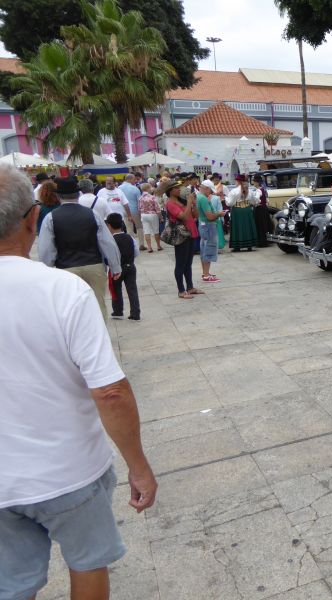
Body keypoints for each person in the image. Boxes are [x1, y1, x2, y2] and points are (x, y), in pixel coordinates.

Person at [0, 163, 157, 600]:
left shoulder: (54, 271)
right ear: (32, 217)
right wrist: (138, 465)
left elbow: (46, 252)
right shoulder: (62, 292)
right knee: (87, 562)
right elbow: (108, 389)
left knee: (11, 584)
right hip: (66, 470)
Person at [38, 176, 122, 321]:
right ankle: (99, 336)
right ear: (78, 194)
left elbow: (46, 249)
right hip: (94, 265)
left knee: (72, 307)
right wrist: (116, 266)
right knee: (98, 304)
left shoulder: (51, 218)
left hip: (66, 268)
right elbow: (107, 243)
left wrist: (48, 270)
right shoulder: (92, 214)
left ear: (58, 196)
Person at [159, 178, 202, 300]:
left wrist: (194, 203)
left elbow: (196, 215)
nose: (179, 189)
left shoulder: (182, 201)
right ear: (170, 191)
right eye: (177, 188)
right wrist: (189, 203)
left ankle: (190, 287)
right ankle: (181, 290)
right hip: (181, 235)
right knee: (180, 264)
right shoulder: (170, 203)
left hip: (191, 233)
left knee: (188, 263)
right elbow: (183, 216)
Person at [106, 213, 140, 321]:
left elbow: (109, 256)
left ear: (109, 226)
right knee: (132, 290)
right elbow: (136, 252)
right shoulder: (129, 237)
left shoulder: (110, 240)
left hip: (117, 269)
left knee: (116, 290)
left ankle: (118, 311)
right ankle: (135, 313)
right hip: (130, 266)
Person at [196, 179, 224, 283]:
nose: (211, 192)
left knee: (204, 249)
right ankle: (207, 275)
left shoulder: (198, 197)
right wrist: (219, 214)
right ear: (206, 188)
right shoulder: (203, 198)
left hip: (202, 225)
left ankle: (205, 273)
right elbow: (210, 216)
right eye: (210, 190)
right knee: (209, 249)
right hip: (208, 225)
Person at [225, 174, 258, 252]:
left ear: (238, 181)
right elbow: (254, 201)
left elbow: (229, 203)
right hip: (247, 210)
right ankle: (249, 245)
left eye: (236, 180)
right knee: (247, 226)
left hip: (237, 210)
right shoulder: (249, 191)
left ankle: (237, 246)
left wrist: (225, 198)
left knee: (238, 227)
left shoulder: (234, 191)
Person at [119, 174, 145, 251]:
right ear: (129, 179)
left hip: (123, 210)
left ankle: (132, 245)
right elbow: (139, 201)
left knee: (129, 228)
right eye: (134, 179)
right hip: (134, 210)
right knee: (139, 227)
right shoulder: (135, 188)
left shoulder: (119, 188)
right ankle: (141, 244)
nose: (135, 181)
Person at [137, 183, 163, 252]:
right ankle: (158, 246)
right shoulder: (152, 197)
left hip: (144, 215)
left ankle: (149, 247)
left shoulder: (140, 198)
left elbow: (139, 209)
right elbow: (157, 208)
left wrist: (140, 217)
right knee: (156, 230)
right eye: (150, 188)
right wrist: (161, 217)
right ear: (147, 188)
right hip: (152, 214)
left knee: (146, 231)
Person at [251, 173, 271, 247]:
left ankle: (261, 242)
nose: (253, 183)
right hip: (264, 208)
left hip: (259, 209)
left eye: (254, 181)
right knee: (264, 224)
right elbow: (267, 200)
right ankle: (264, 241)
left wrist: (254, 202)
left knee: (260, 225)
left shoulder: (258, 190)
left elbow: (256, 200)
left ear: (257, 182)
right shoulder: (263, 189)